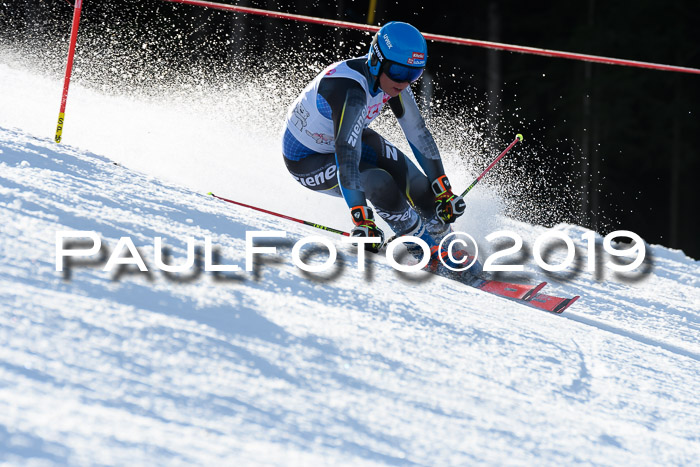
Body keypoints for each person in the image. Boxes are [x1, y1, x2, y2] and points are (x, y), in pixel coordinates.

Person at [282, 21, 479, 276]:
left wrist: (444, 190)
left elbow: (418, 134)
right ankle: (421, 249)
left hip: (345, 141)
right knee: (380, 182)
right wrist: (361, 218)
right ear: (376, 60)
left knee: (420, 185)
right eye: (399, 71)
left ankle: (445, 243)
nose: (404, 82)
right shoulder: (350, 91)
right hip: (307, 160)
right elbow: (346, 155)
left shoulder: (391, 81)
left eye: (414, 74)